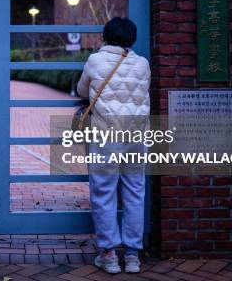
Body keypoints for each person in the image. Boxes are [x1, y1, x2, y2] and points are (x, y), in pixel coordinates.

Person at [76, 17, 150, 274]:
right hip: (137, 137)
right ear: (132, 38)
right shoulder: (142, 63)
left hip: (106, 137)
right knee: (135, 192)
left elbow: (82, 91)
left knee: (104, 193)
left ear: (105, 36)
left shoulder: (95, 61)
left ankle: (108, 255)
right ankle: (132, 256)